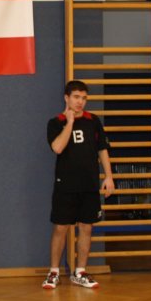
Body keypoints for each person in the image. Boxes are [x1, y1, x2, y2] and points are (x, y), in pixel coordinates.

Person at [43, 79, 114, 289]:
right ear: (66, 98)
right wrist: (70, 122)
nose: (80, 102)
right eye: (76, 97)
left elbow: (102, 149)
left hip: (89, 185)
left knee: (86, 227)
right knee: (60, 228)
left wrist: (109, 176)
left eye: (84, 98)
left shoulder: (94, 121)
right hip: (65, 185)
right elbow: (57, 147)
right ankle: (54, 272)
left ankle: (80, 271)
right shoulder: (55, 122)